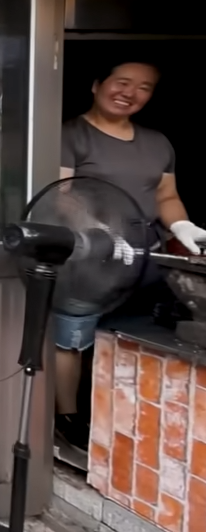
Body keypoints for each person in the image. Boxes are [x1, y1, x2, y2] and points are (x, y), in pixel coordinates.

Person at [53, 60, 206, 453]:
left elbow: (166, 196)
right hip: (89, 259)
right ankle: (67, 417)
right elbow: (61, 195)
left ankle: (119, 416)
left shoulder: (157, 143)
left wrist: (182, 226)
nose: (130, 93)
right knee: (73, 337)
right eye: (122, 82)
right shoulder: (70, 135)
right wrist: (98, 230)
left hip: (144, 258)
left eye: (144, 87)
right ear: (96, 84)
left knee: (132, 333)